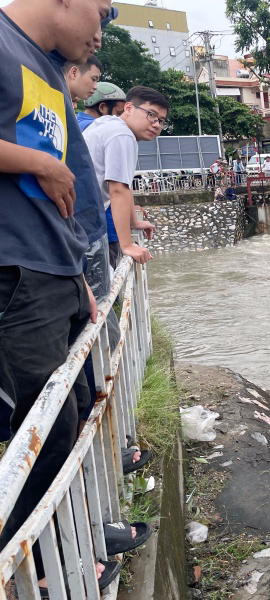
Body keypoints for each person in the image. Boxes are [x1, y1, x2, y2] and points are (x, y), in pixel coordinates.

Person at [0, 0, 126, 591]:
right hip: (15, 273)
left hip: (55, 272)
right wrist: (32, 163)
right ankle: (30, 573)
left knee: (72, 408)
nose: (102, 32)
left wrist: (78, 274)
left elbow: (69, 184)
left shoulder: (45, 69)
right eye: (101, 12)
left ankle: (62, 552)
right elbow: (48, 171)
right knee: (39, 433)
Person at [83, 86, 163, 269]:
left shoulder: (108, 123)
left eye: (161, 120)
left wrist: (134, 221)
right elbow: (118, 189)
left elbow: (125, 185)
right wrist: (126, 245)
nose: (157, 124)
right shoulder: (122, 134)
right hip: (81, 222)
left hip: (75, 217)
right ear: (128, 108)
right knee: (100, 292)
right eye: (151, 115)